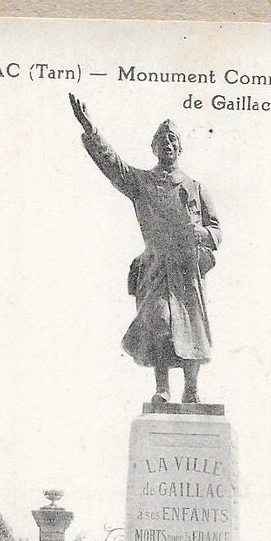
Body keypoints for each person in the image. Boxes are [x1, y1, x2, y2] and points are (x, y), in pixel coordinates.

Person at [69, 94, 222, 405]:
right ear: (154, 148)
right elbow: (112, 165)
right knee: (160, 323)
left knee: (190, 329)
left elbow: (217, 230)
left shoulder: (194, 187)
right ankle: (162, 387)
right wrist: (90, 129)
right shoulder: (142, 183)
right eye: (161, 139)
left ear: (179, 147)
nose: (167, 143)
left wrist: (202, 232)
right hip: (154, 266)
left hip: (186, 271)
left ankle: (191, 388)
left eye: (172, 139)